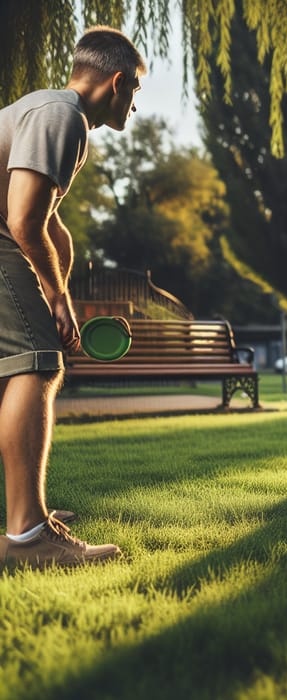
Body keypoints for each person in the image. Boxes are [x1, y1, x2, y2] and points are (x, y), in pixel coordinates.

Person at [0, 26, 146, 569]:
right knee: (38, 363)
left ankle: (25, 512)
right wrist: (57, 297)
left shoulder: (48, 111)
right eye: (136, 94)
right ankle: (28, 536)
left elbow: (44, 213)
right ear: (117, 82)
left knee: (15, 368)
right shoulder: (63, 118)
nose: (134, 108)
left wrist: (63, 252)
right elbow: (22, 221)